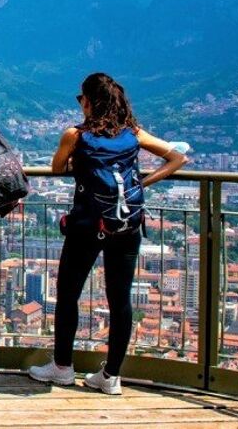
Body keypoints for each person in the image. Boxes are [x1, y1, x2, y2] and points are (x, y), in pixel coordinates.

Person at [29, 72, 188, 395]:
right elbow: (177, 157)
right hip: (126, 224)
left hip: (87, 225)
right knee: (120, 299)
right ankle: (111, 375)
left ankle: (62, 366)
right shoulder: (133, 133)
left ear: (88, 102)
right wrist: (141, 184)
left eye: (81, 98)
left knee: (68, 293)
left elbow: (57, 167)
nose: (80, 103)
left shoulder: (76, 135)